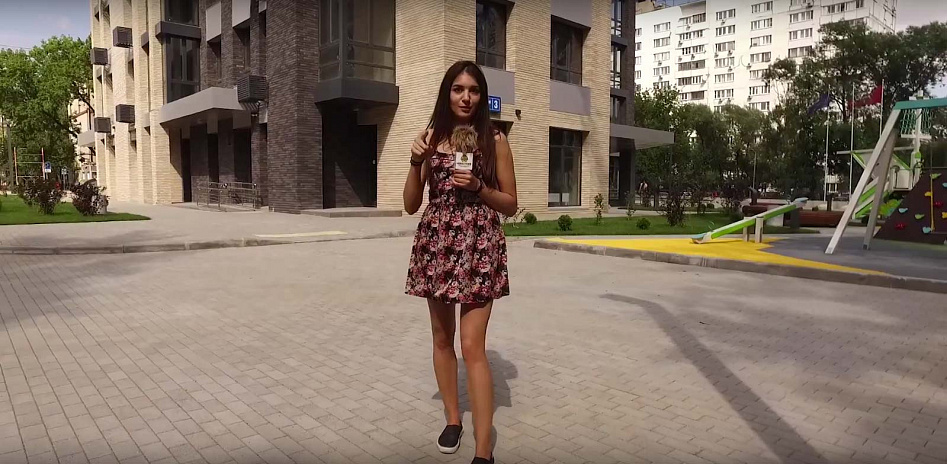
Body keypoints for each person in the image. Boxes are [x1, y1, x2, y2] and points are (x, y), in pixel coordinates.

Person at [403, 60, 518, 464]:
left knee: (472, 346)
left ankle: (484, 449)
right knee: (441, 338)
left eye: (473, 90)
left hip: (479, 246)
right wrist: (415, 161)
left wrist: (480, 187)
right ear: (447, 93)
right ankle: (453, 419)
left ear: (481, 96)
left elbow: (511, 204)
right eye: (458, 89)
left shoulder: (495, 140)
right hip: (437, 244)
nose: (466, 97)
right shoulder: (430, 137)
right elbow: (410, 204)